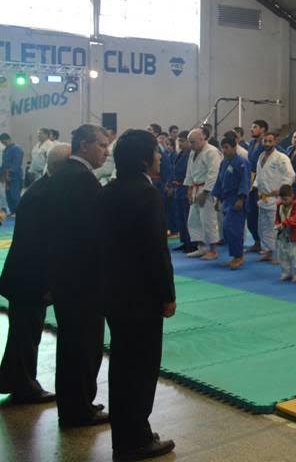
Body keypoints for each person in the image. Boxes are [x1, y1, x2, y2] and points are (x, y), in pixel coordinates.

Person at [98, 129, 176, 459]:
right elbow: (156, 251)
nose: (160, 156)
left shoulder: (109, 190)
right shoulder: (147, 194)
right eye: (157, 152)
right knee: (141, 368)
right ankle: (136, 439)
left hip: (114, 291)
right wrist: (167, 295)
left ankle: (127, 433)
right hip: (141, 295)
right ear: (145, 158)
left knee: (122, 366)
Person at [49, 124, 111, 427]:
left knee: (72, 345)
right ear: (85, 146)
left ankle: (73, 405)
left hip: (65, 275)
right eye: (101, 145)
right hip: (83, 280)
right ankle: (79, 408)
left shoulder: (63, 176)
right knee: (84, 346)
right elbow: (93, 234)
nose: (106, 151)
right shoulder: (82, 180)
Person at [0, 143, 69, 404]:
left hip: (24, 274)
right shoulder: (46, 194)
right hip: (29, 276)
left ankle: (13, 378)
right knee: (26, 333)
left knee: (24, 332)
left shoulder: (42, 189)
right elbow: (42, 243)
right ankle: (23, 384)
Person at [253, 132, 296, 263]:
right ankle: (268, 251)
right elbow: (259, 175)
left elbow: (291, 175)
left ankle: (279, 254)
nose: (267, 144)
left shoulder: (281, 157)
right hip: (263, 197)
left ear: (275, 142)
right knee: (263, 227)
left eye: (269, 141)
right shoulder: (261, 156)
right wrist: (255, 186)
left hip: (275, 198)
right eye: (265, 141)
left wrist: (282, 191)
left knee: (276, 227)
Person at [211, 136, 251, 270]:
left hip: (237, 199)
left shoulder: (242, 162)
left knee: (234, 228)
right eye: (223, 148)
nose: (225, 150)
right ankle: (235, 255)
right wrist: (217, 198)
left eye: (227, 147)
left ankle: (239, 256)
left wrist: (241, 198)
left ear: (234, 147)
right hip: (226, 199)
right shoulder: (224, 162)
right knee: (227, 229)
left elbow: (245, 181)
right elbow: (219, 181)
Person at [184, 128, 222, 260]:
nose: (190, 144)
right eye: (189, 142)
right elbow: (189, 171)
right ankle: (202, 247)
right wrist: (189, 188)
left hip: (207, 190)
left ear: (202, 139)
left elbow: (214, 174)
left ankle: (213, 250)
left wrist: (205, 192)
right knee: (193, 220)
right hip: (195, 188)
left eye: (193, 142)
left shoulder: (212, 152)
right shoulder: (193, 152)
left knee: (208, 219)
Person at [244, 120, 268, 254]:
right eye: (252, 126)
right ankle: (257, 241)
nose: (251, 129)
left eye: (255, 127)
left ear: (263, 129)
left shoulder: (268, 144)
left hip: (263, 183)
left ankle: (267, 244)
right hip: (251, 182)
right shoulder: (252, 143)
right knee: (251, 213)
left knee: (263, 215)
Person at [272, 184, 296, 282]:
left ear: (292, 196)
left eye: (286, 199)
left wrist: (284, 223)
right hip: (283, 235)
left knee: (295, 256)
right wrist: (278, 225)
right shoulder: (279, 206)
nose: (284, 201)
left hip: (294, 236)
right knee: (283, 255)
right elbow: (277, 219)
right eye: (282, 199)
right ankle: (286, 273)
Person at [170, 132, 193, 251]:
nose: (180, 143)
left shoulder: (191, 154)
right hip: (178, 188)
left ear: (188, 142)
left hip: (185, 187)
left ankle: (191, 243)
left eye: (182, 141)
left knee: (187, 216)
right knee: (180, 216)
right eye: (179, 141)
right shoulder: (180, 153)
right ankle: (184, 240)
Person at [0, 133, 24, 215]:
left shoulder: (17, 149)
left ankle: (19, 212)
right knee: (8, 196)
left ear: (9, 139)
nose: (4, 144)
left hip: (15, 176)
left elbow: (17, 163)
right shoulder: (5, 150)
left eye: (5, 142)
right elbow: (4, 164)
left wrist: (9, 172)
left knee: (15, 196)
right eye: (2, 143)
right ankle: (13, 211)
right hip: (6, 177)